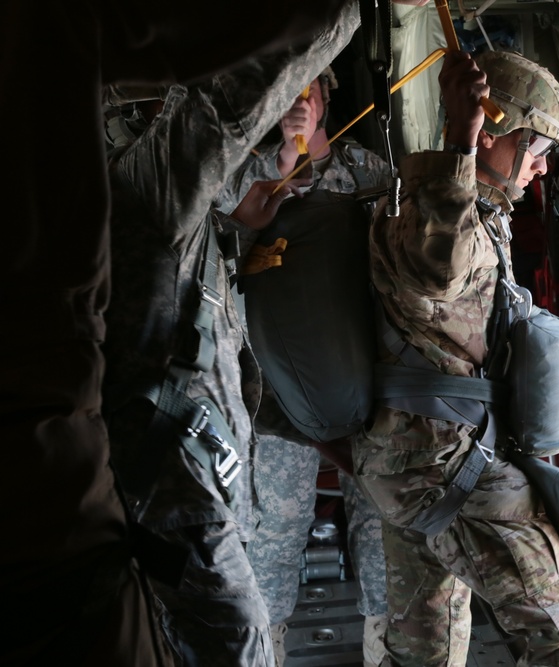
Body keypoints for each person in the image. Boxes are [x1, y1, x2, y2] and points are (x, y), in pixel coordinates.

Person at [0, 3, 363, 665]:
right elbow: (228, 110)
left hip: (162, 491)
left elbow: (209, 360)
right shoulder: (153, 206)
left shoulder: (158, 225)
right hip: (171, 502)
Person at [354, 49, 559, 667]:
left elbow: (482, 319)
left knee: (427, 651)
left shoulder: (481, 216)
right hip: (443, 467)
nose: (544, 169)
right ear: (494, 134)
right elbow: (438, 270)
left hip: (419, 461)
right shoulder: (430, 211)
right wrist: (458, 136)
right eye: (538, 148)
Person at [216, 67, 394, 667]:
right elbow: (224, 219)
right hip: (274, 398)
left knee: (383, 538)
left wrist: (309, 157)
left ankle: (385, 650)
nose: (299, 101)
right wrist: (278, 159)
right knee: (270, 545)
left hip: (364, 383)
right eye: (287, 90)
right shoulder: (243, 176)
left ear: (325, 96)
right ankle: (265, 651)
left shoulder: (362, 172)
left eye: (309, 89)